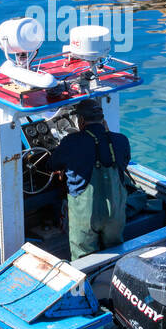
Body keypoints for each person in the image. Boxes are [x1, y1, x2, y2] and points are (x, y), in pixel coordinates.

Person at [49, 97, 131, 261]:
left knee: (83, 258)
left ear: (80, 121)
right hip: (115, 210)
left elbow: (51, 164)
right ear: (103, 120)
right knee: (115, 251)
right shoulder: (121, 140)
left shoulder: (71, 142)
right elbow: (124, 163)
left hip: (85, 214)